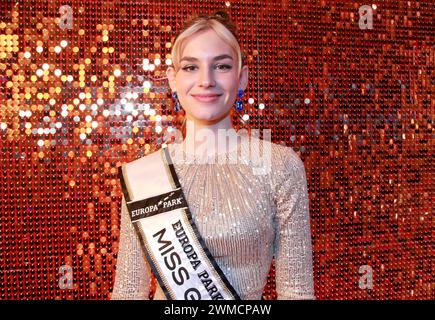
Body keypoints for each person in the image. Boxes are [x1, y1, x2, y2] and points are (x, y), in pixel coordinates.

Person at [111, 11, 315, 300]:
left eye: (221, 66)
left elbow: (297, 293)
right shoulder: (143, 176)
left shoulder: (281, 167)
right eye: (191, 67)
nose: (206, 80)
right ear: (172, 79)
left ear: (242, 77)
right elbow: (128, 292)